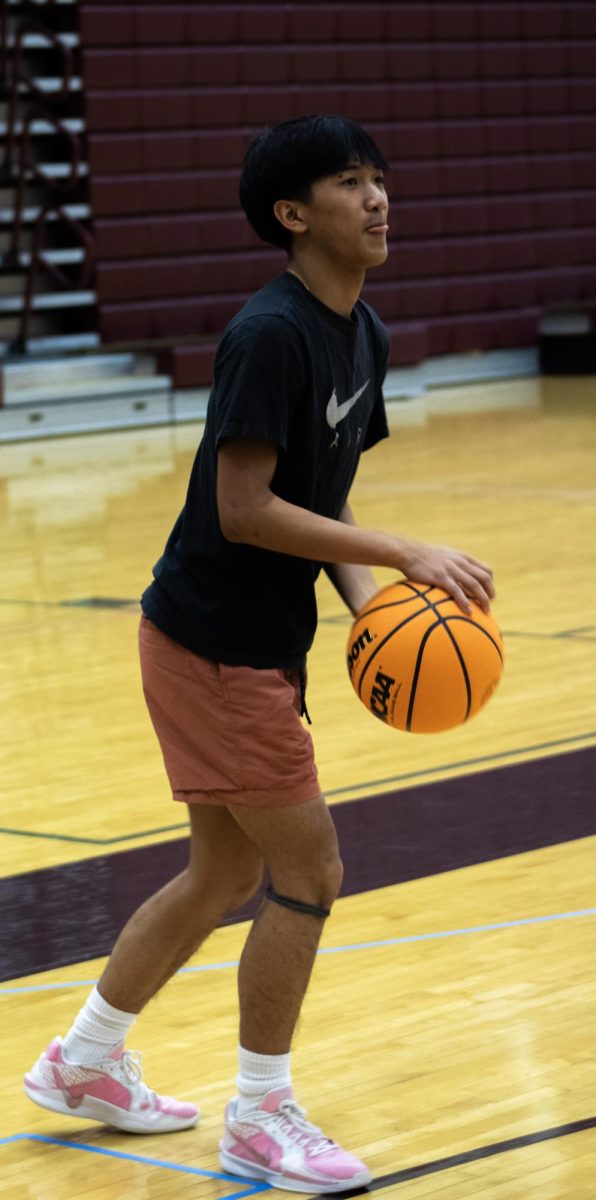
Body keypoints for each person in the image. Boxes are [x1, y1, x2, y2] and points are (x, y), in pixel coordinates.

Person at [24, 115, 495, 1193]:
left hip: (243, 644)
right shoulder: (269, 334)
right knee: (308, 870)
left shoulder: (358, 331)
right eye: (346, 182)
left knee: (224, 869)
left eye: (380, 177)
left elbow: (317, 500)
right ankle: (260, 1113)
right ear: (292, 215)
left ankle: (83, 1063)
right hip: (214, 646)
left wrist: (375, 612)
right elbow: (244, 509)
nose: (375, 197)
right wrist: (404, 552)